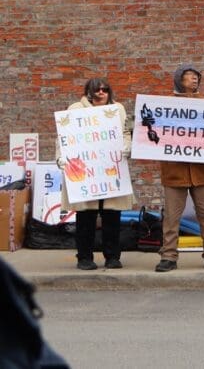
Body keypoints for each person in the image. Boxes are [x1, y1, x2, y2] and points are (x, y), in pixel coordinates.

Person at [151, 65, 204, 272]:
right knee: (172, 217)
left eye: (196, 77)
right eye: (189, 77)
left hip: (201, 171)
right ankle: (168, 256)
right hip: (174, 172)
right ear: (179, 79)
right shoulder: (165, 106)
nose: (194, 80)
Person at [58, 78, 134, 270]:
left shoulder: (118, 109)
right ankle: (84, 257)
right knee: (86, 217)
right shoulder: (75, 109)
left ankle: (112, 256)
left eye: (105, 89)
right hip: (86, 172)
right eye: (97, 89)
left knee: (112, 217)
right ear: (88, 91)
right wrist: (60, 157)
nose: (101, 92)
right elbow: (64, 136)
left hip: (110, 170)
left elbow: (126, 132)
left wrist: (127, 146)